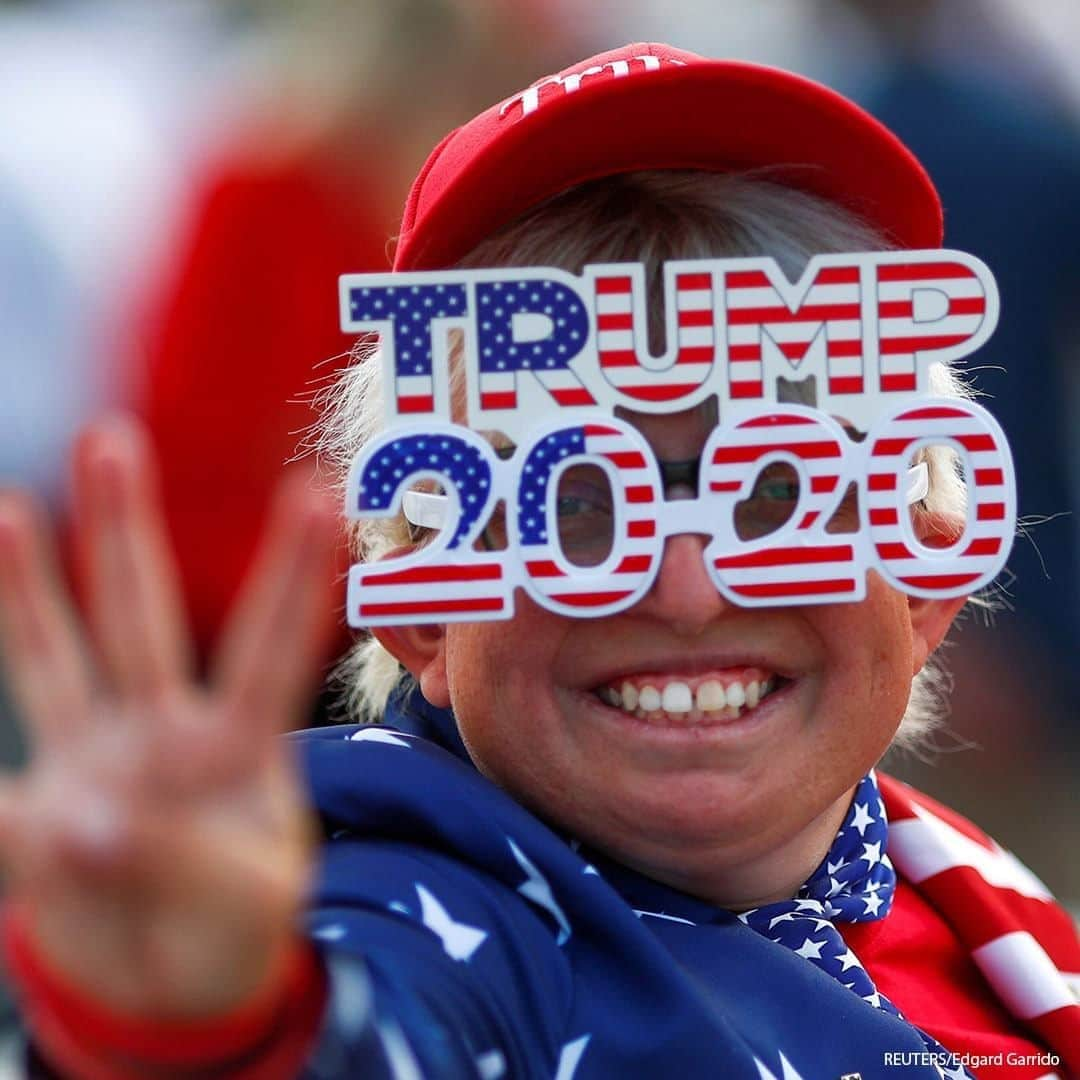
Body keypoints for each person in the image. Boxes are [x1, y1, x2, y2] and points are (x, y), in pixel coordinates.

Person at [0, 42, 1077, 1080]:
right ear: (421, 604)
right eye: (577, 501)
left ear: (923, 573)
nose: (691, 589)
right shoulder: (432, 914)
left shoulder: (962, 896)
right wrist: (200, 1028)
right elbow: (367, 1030)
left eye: (776, 487)